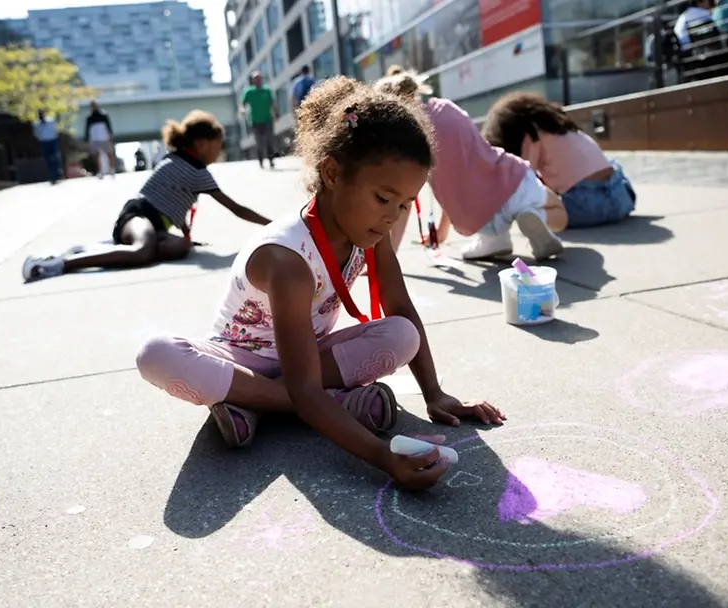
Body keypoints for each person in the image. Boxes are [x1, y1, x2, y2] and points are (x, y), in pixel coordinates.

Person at [135, 77, 504, 491]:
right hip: (238, 360)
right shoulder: (288, 258)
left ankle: (251, 405)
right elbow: (305, 387)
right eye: (383, 198)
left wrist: (434, 393)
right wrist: (383, 456)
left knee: (402, 335)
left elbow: (399, 307)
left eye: (404, 204)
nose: (391, 216)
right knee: (156, 354)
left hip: (312, 359)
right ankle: (325, 403)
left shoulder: (369, 233)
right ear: (331, 173)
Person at [21, 110, 271, 281]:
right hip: (138, 215)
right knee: (143, 251)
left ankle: (102, 249)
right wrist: (273, 226)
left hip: (153, 222)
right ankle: (59, 264)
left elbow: (174, 197)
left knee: (181, 247)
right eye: (217, 146)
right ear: (202, 143)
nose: (218, 153)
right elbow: (236, 208)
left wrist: (184, 234)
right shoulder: (194, 169)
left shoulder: (179, 159)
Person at [374, 70, 567, 261]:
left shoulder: (411, 141)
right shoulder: (445, 108)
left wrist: (389, 255)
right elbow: (472, 159)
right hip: (509, 179)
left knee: (478, 244)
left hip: (479, 216)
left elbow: (406, 202)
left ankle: (496, 239)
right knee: (559, 212)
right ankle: (534, 214)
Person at [481, 92, 636, 230]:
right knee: (612, 165)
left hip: (586, 205)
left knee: (534, 199)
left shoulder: (531, 135)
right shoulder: (561, 127)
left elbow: (527, 179)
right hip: (620, 196)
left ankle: (538, 218)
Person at [240, 71, 279, 169]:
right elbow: (243, 104)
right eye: (255, 78)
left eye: (259, 78)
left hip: (267, 119)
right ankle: (261, 161)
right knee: (259, 142)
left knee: (269, 140)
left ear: (261, 79)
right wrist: (242, 110)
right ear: (253, 80)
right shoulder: (249, 92)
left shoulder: (267, 90)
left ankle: (271, 160)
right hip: (255, 121)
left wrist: (276, 113)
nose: (257, 80)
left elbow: (272, 103)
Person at [85, 101, 116, 178]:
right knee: (97, 155)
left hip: (104, 138)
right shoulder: (89, 118)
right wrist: (88, 139)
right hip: (95, 139)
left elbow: (109, 126)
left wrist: (110, 135)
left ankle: (112, 169)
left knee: (109, 154)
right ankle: (100, 171)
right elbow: (87, 129)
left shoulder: (104, 116)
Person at [33, 109, 62, 184]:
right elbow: (36, 134)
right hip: (44, 142)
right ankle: (52, 175)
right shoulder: (36, 124)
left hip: (52, 141)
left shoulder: (51, 121)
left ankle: (57, 174)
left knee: (55, 158)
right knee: (48, 159)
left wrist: (55, 137)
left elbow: (55, 130)